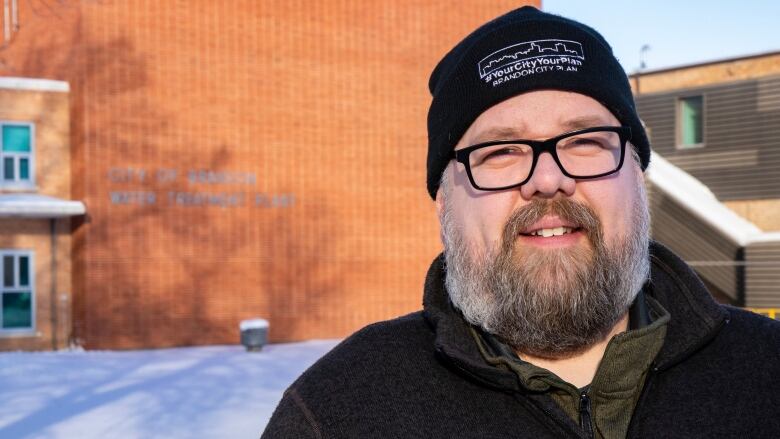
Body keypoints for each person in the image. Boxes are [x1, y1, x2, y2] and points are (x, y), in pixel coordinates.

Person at [262, 6, 780, 438]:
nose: (549, 179)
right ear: (444, 200)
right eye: (502, 151)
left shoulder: (767, 374)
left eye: (584, 142)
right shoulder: (337, 413)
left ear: (637, 179)